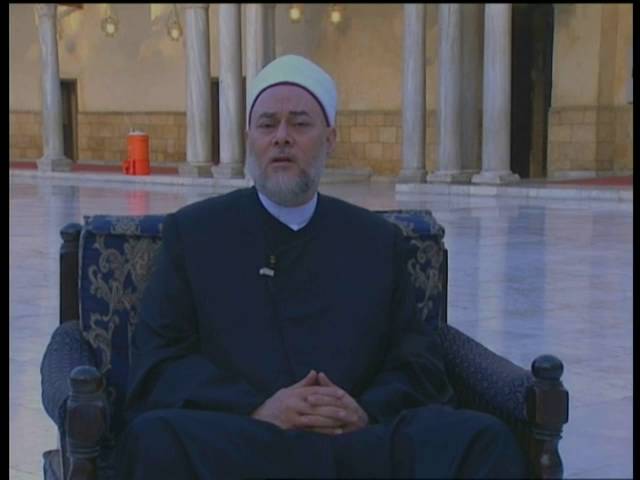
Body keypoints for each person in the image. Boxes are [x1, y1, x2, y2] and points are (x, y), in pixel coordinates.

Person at [116, 54, 526, 479]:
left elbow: (417, 361)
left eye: (299, 124)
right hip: (244, 441)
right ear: (249, 138)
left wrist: (363, 410)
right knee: (154, 440)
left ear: (330, 139)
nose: (282, 137)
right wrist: (257, 408)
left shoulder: (377, 241)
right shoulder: (194, 233)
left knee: (482, 439)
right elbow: (160, 359)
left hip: (357, 445)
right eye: (267, 124)